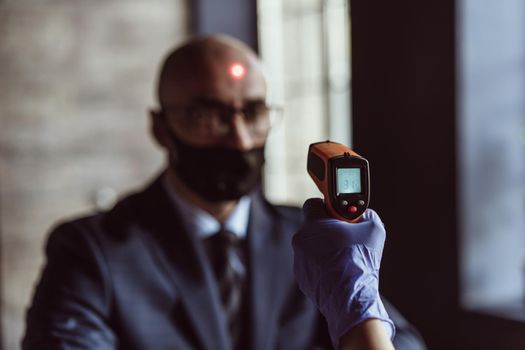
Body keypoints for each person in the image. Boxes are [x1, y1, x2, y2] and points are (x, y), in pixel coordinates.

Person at [23, 34, 426, 349]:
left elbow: (403, 343)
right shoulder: (91, 250)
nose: (238, 137)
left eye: (253, 113)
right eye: (207, 116)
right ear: (160, 128)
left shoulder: (310, 238)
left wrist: (360, 302)